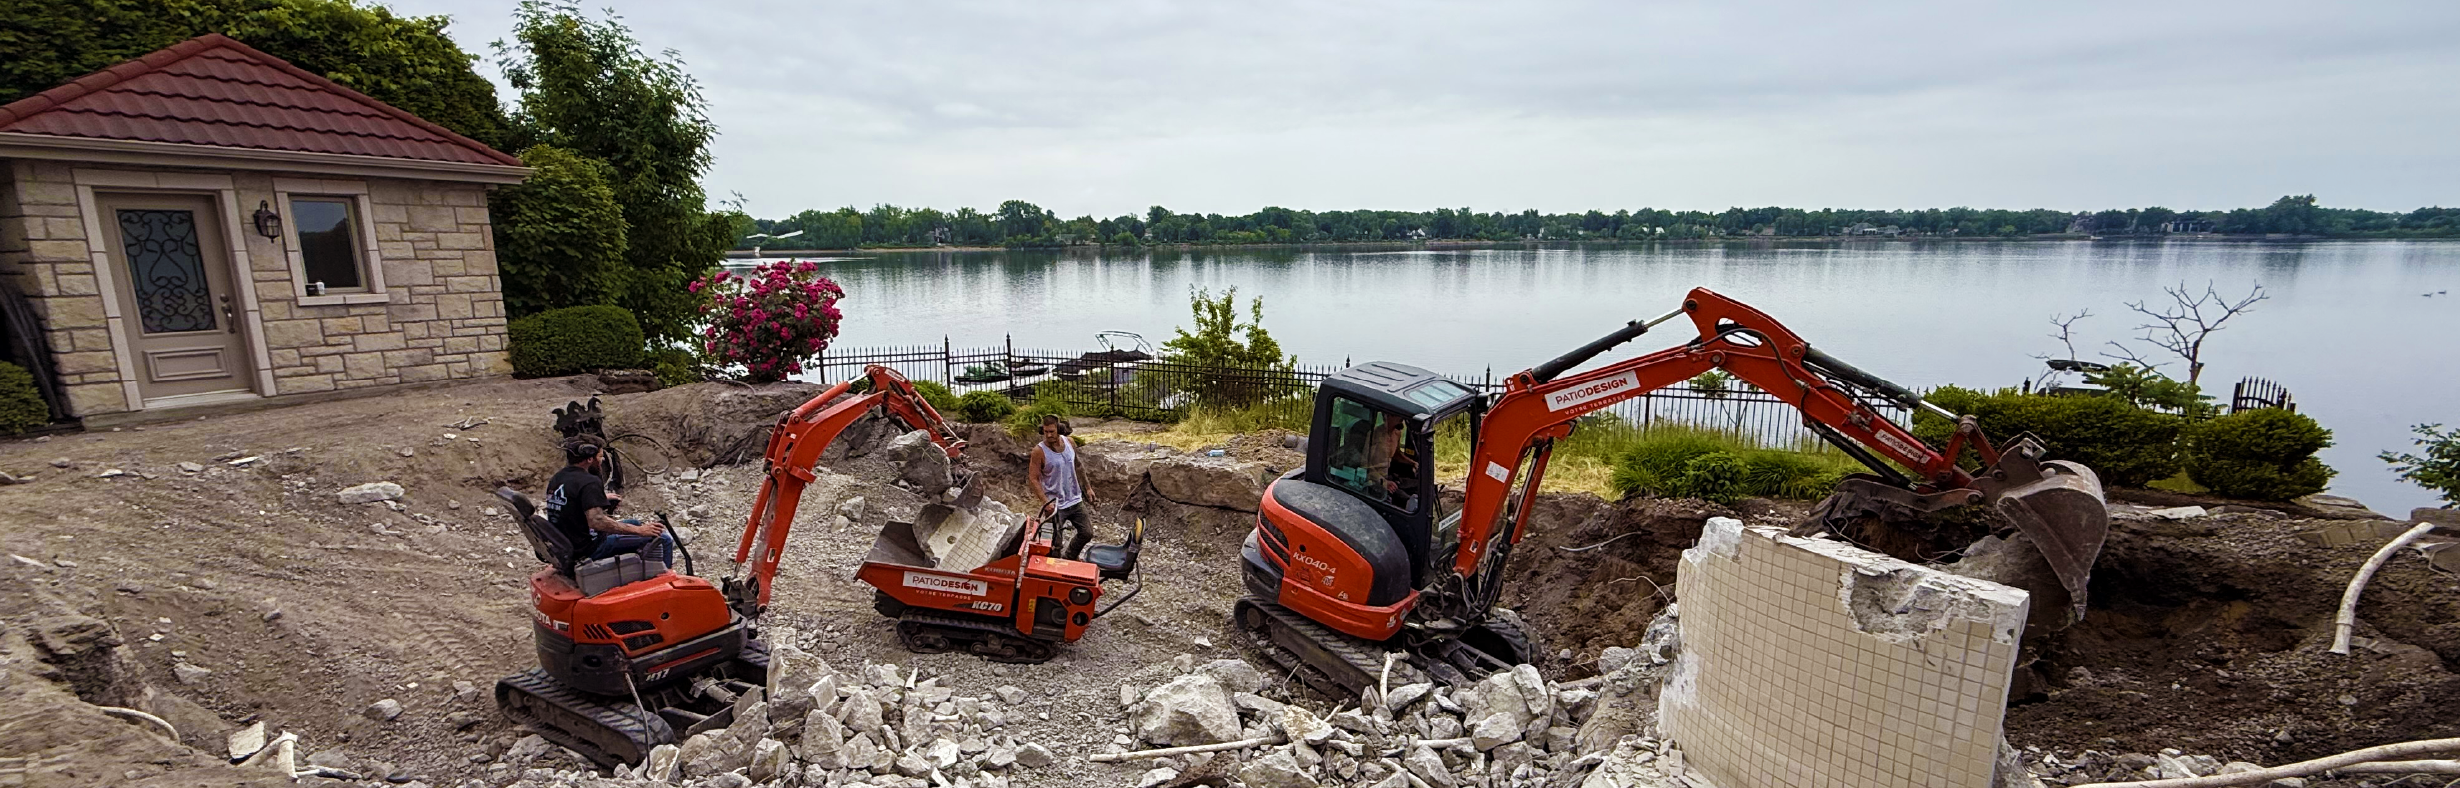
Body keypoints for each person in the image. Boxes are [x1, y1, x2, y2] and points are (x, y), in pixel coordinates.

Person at [544, 438, 674, 567]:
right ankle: (664, 579)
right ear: (590, 459)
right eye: (600, 456)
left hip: (571, 540)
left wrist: (600, 498)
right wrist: (639, 530)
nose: (603, 460)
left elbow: (571, 501)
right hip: (588, 548)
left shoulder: (558, 477)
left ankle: (638, 566)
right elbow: (597, 521)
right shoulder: (589, 481)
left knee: (634, 522)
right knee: (663, 539)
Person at [1026, 414, 1096, 560]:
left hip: (1075, 500)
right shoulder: (1038, 452)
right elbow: (1033, 478)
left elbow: (1078, 466)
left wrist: (1088, 488)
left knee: (1087, 532)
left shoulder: (1070, 443)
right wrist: (1045, 502)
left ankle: (1069, 558)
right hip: (1055, 505)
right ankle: (1053, 571)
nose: (1049, 435)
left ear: (1059, 429)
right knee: (1054, 544)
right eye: (1045, 432)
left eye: (1052, 431)